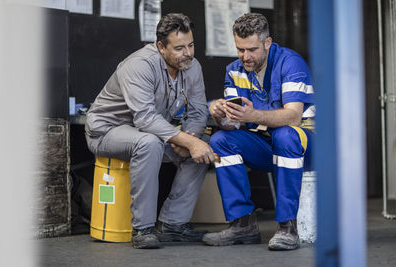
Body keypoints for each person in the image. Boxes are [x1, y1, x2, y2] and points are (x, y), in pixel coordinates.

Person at [85, 13, 216, 249]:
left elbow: (198, 113)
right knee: (148, 143)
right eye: (179, 48)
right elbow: (145, 118)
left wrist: (191, 139)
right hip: (107, 131)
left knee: (203, 144)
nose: (188, 53)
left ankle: (172, 224)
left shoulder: (192, 67)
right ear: (160, 47)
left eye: (191, 45)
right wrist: (184, 139)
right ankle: (142, 229)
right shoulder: (139, 65)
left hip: (149, 132)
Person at [202, 13, 315, 251]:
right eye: (240, 49)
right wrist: (219, 114)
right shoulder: (234, 70)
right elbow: (232, 125)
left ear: (267, 43)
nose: (245, 56)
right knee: (221, 139)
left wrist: (252, 116)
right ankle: (242, 223)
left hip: (306, 145)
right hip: (267, 145)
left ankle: (287, 227)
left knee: (285, 135)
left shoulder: (290, 62)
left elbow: (293, 116)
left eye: (251, 49)